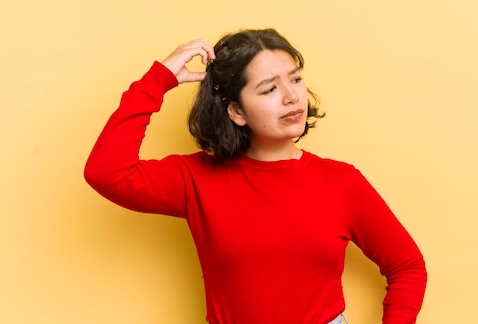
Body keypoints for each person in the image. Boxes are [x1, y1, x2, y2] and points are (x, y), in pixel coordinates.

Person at [84, 28, 427, 324]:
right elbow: (106, 172)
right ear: (236, 111)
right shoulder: (196, 178)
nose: (293, 97)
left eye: (295, 79)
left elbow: (408, 266)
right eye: (269, 90)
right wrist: (157, 80)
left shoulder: (342, 182)